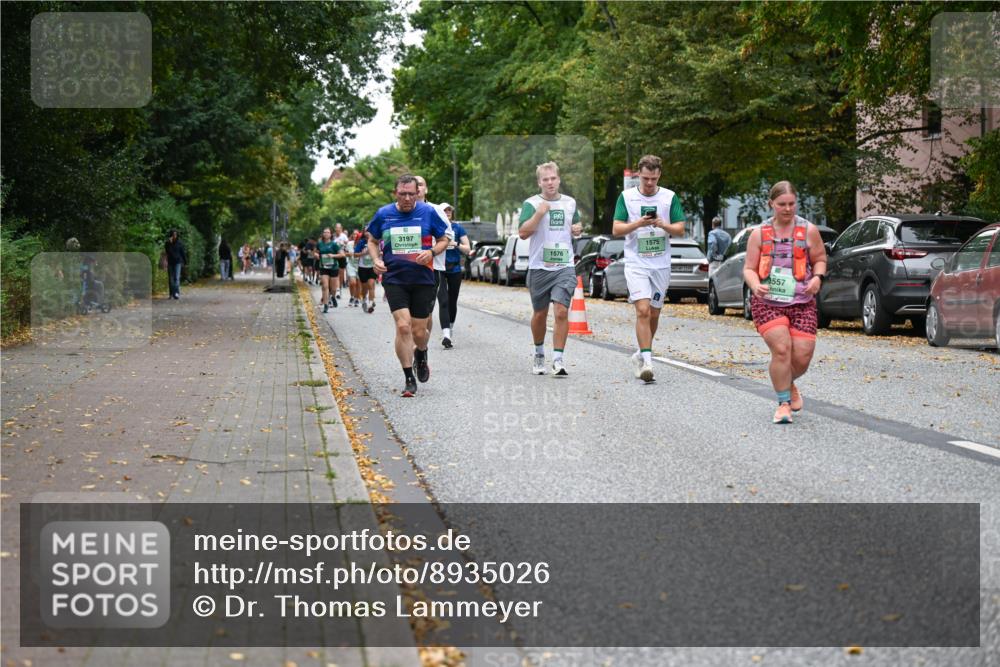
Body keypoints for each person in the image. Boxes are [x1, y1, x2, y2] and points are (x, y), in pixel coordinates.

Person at [742, 181, 827, 424]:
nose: (787, 209)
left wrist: (818, 278)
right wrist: (755, 285)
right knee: (781, 350)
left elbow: (820, 259)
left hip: (802, 301)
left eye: (791, 203)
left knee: (802, 358)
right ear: (771, 204)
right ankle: (783, 404)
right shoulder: (759, 234)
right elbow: (749, 268)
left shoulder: (809, 230)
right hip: (767, 302)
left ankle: (787, 382)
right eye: (782, 204)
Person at [366, 174, 449, 397]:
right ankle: (408, 378)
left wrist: (431, 252)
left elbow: (444, 239)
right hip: (394, 279)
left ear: (417, 192)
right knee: (403, 327)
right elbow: (372, 240)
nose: (407, 198)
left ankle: (421, 352)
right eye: (402, 194)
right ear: (395, 193)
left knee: (419, 332)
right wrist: (376, 259)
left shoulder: (428, 212)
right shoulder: (383, 214)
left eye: (411, 194)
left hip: (423, 279)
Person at [612, 154, 687, 383]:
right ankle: (647, 362)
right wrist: (638, 223)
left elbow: (680, 229)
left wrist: (663, 224)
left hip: (660, 265)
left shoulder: (669, 197)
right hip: (636, 263)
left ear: (659, 175)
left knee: (654, 313)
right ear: (639, 175)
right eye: (645, 178)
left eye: (654, 179)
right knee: (643, 310)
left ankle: (640, 353)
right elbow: (616, 229)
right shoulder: (627, 197)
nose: (649, 183)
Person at [518, 161, 583, 376]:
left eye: (553, 178)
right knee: (540, 314)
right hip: (539, 267)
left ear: (559, 179)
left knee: (561, 311)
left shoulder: (570, 203)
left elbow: (576, 227)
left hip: (564, 266)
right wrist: (539, 214)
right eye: (545, 179)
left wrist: (577, 229)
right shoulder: (531, 203)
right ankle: (539, 353)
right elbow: (523, 233)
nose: (550, 182)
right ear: (539, 182)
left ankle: (558, 359)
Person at [435, 203, 471, 349]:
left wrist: (456, 244)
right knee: (443, 300)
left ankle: (450, 328)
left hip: (454, 268)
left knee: (452, 300)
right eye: (445, 210)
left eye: (450, 210)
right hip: (440, 267)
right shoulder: (436, 226)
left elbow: (468, 249)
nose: (448, 212)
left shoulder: (458, 228)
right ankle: (446, 335)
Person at [317, 228, 344, 313]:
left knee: (333, 289)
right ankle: (326, 305)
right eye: (324, 232)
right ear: (323, 234)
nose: (326, 234)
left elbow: (342, 255)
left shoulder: (334, 244)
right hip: (323, 267)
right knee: (325, 286)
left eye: (328, 232)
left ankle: (333, 296)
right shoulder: (319, 244)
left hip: (333, 268)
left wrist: (333, 256)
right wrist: (316, 255)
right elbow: (315, 252)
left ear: (330, 234)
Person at [355, 228, 378, 313]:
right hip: (362, 268)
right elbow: (355, 255)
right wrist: (364, 253)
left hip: (372, 267)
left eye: (369, 231)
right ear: (364, 233)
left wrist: (379, 253)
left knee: (371, 285)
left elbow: (380, 251)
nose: (368, 233)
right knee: (364, 288)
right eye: (366, 231)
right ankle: (364, 299)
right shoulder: (361, 242)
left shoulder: (376, 241)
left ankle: (371, 304)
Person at [165, 229, 187, 299]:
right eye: (173, 235)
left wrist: (185, 261)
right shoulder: (167, 243)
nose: (174, 236)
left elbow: (182, 252)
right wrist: (170, 243)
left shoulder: (179, 243)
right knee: (171, 279)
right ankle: (171, 294)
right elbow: (168, 252)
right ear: (171, 235)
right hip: (170, 262)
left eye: (175, 234)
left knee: (176, 278)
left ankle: (176, 293)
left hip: (178, 262)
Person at [345, 230, 361, 306]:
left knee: (358, 283)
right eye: (354, 234)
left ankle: (357, 298)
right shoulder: (349, 244)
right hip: (351, 265)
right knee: (352, 283)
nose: (355, 236)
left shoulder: (362, 244)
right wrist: (348, 254)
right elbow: (345, 253)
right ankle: (352, 297)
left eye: (357, 234)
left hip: (360, 265)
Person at [335, 223, 349, 299]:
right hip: (334, 257)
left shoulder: (344, 236)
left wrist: (343, 244)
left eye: (339, 228)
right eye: (336, 228)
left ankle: (339, 288)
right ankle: (337, 289)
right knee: (336, 273)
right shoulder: (333, 236)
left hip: (342, 257)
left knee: (341, 274)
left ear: (341, 228)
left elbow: (347, 245)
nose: (337, 229)